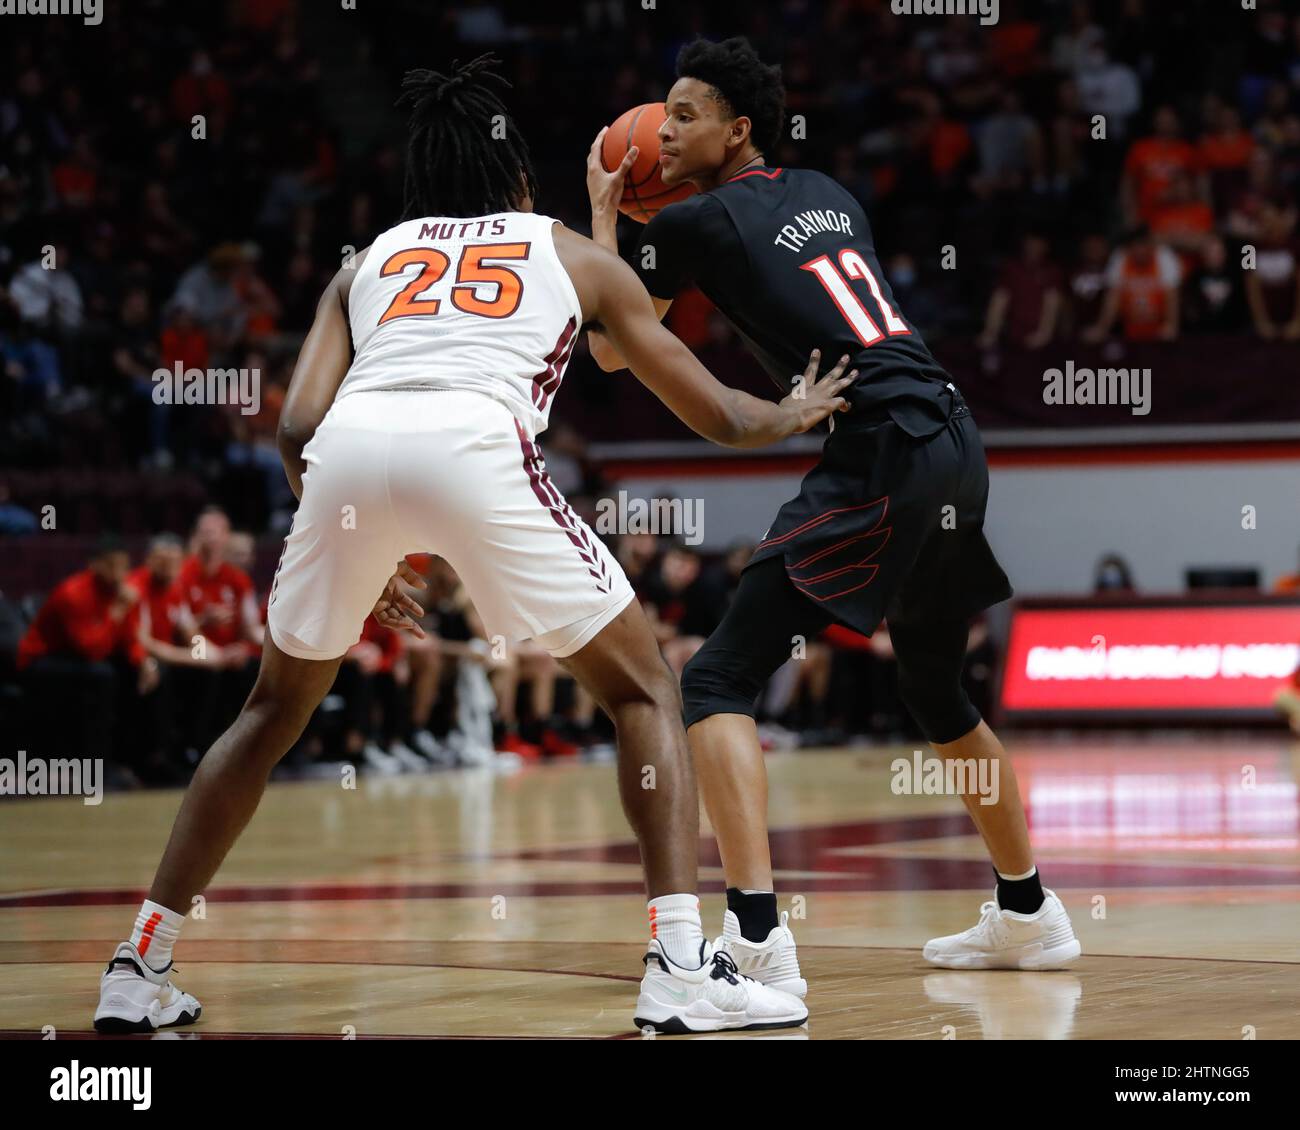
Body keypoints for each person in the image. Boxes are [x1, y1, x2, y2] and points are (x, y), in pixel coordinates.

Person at [92, 54, 854, 1036]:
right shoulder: (571, 254)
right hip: (476, 443)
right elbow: (709, 408)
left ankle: (138, 963)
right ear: (517, 180)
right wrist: (787, 413)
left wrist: (365, 552)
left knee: (269, 710)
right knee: (642, 690)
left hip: (348, 452)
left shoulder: (363, 262)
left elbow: (293, 427)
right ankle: (676, 965)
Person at [585, 36, 1081, 999]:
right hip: (953, 436)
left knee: (716, 680)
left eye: (686, 114)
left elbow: (612, 355)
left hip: (882, 452)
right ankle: (1028, 913)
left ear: (737, 130)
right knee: (936, 692)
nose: (666, 126)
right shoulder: (828, 191)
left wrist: (607, 218)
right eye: (664, 113)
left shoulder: (703, 225)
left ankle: (759, 943)